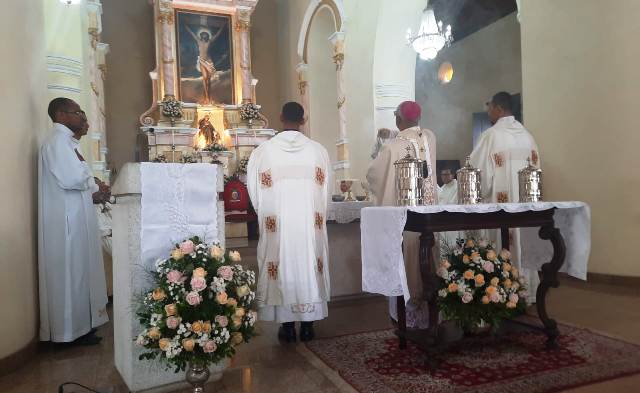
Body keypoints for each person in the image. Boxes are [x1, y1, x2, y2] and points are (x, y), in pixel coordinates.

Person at [247, 102, 331, 342]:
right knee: (307, 265)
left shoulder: (263, 152)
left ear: (281, 117)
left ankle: (286, 326)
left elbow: (254, 192)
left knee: (281, 264)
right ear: (303, 120)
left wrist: (266, 215)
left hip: (278, 226)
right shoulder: (318, 151)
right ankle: (308, 325)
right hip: (308, 226)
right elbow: (326, 193)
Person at [38, 98, 109, 345]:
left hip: (74, 218)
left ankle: (80, 328)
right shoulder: (58, 141)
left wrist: (94, 187)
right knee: (71, 275)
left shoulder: (66, 142)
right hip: (67, 223)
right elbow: (71, 178)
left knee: (78, 274)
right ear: (61, 114)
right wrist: (94, 183)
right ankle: (68, 333)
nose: (81, 117)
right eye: (77, 112)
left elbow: (77, 177)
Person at [366, 101, 437, 328]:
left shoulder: (392, 147)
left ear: (398, 119)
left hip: (406, 221)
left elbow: (374, 176)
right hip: (430, 216)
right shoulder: (430, 138)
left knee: (407, 265)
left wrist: (382, 144)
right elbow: (411, 139)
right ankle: (431, 316)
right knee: (428, 261)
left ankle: (408, 318)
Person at [469, 91, 541, 303]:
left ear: (499, 108)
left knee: (503, 243)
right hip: (526, 207)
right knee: (523, 243)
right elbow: (537, 170)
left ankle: (502, 293)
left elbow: (476, 172)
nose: (488, 111)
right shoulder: (527, 136)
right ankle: (527, 291)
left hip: (500, 208)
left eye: (489, 106)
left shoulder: (491, 136)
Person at [186, 26, 224, 104]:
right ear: (201, 36)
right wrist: (187, 27)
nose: (204, 36)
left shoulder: (209, 42)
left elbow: (216, 36)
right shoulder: (198, 41)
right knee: (205, 78)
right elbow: (192, 34)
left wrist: (221, 28)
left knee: (208, 80)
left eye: (205, 35)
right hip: (202, 61)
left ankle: (208, 97)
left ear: (207, 36)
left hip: (208, 61)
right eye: (203, 35)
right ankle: (206, 97)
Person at [437, 168, 461, 250]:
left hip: (454, 220)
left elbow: (453, 202)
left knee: (453, 246)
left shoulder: (457, 186)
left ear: (452, 175)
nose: (443, 177)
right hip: (443, 220)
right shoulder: (443, 187)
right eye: (442, 175)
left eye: (446, 175)